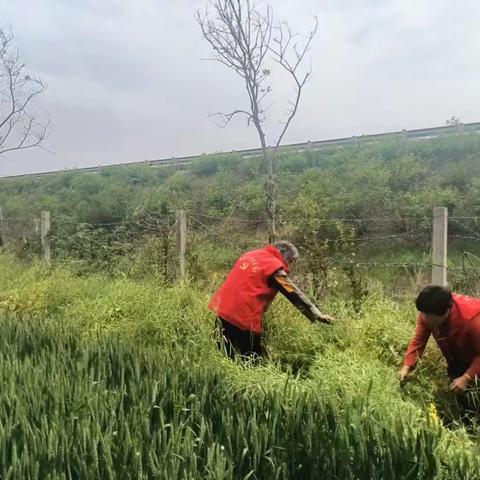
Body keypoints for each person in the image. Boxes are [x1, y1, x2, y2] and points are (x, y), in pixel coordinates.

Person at [209, 241, 333, 359]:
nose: (289, 265)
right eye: (291, 262)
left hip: (222, 310)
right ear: (286, 257)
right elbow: (293, 292)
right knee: (252, 358)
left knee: (222, 354)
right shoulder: (273, 266)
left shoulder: (251, 254)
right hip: (243, 316)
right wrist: (317, 315)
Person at [399, 285, 480, 392]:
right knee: (457, 384)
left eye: (428, 316)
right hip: (460, 353)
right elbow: (419, 341)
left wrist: (467, 378)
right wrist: (407, 366)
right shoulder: (429, 312)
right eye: (423, 314)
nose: (423, 318)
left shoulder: (473, 320)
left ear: (445, 312)